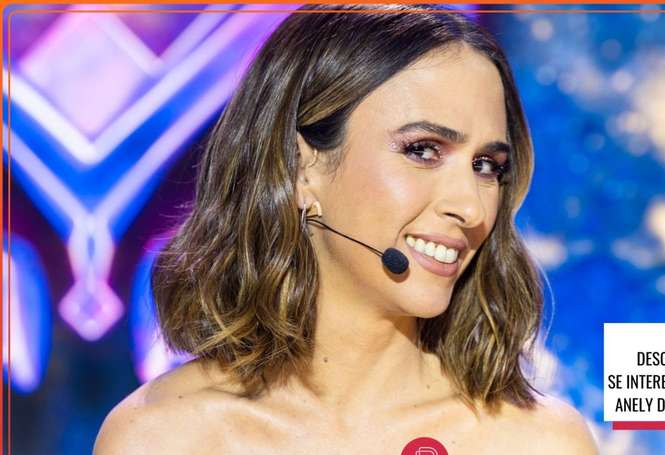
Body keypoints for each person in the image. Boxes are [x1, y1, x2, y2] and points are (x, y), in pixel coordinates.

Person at [94, 4, 597, 454]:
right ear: (301, 168)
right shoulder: (161, 437)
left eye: (487, 166)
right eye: (423, 150)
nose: (471, 206)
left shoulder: (535, 441)